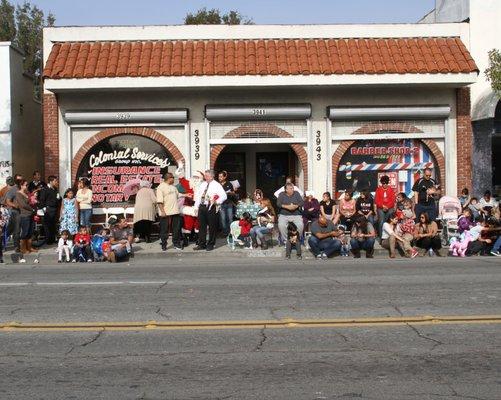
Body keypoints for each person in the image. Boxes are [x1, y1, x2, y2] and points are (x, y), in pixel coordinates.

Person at [193, 170, 227, 251]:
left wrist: (216, 201)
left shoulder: (217, 185)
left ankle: (211, 244)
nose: (205, 177)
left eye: (207, 176)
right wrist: (196, 207)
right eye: (205, 176)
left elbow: (224, 196)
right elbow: (198, 196)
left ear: (212, 176)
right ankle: (202, 244)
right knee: (201, 226)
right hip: (202, 206)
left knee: (212, 226)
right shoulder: (203, 184)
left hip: (211, 207)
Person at [157, 172, 189, 251]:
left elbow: (178, 195)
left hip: (175, 211)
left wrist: (186, 195)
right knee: (164, 230)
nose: (174, 179)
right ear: (169, 178)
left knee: (176, 229)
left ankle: (176, 244)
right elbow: (159, 201)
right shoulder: (161, 187)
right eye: (173, 178)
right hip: (165, 212)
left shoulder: (173, 187)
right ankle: (164, 244)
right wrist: (162, 211)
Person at [38, 176, 61, 245]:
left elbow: (57, 199)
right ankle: (48, 240)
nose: (56, 182)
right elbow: (41, 200)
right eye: (55, 181)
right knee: (47, 225)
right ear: (51, 182)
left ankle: (52, 239)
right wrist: (44, 208)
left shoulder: (55, 189)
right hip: (48, 209)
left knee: (53, 225)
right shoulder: (45, 189)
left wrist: (59, 198)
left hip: (54, 209)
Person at [15, 179, 35, 256]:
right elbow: (23, 205)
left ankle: (29, 247)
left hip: (31, 214)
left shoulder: (27, 193)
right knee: (25, 231)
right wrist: (32, 209)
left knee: (30, 231)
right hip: (24, 214)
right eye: (25, 185)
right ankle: (23, 248)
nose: (27, 186)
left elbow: (31, 200)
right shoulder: (18, 194)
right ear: (21, 185)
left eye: (27, 185)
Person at [5, 175, 22, 252]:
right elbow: (8, 201)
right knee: (15, 230)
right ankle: (16, 247)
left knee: (12, 229)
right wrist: (15, 205)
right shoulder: (12, 190)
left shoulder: (21, 189)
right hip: (14, 212)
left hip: (22, 212)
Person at [217, 170, 235, 237]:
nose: (219, 178)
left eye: (221, 176)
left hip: (229, 203)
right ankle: (224, 232)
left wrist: (230, 193)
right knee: (223, 219)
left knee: (230, 218)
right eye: (219, 176)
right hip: (221, 204)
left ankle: (231, 232)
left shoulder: (229, 184)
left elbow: (233, 193)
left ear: (224, 177)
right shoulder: (217, 185)